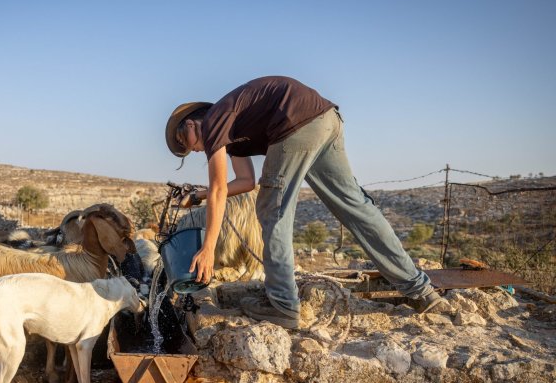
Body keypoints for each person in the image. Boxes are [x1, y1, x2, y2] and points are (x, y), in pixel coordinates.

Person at [165, 76, 446, 329]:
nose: (193, 149)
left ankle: (283, 305)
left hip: (295, 124)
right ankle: (420, 290)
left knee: (272, 209)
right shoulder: (231, 127)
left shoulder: (214, 120)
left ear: (192, 122)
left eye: (185, 141)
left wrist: (208, 248)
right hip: (325, 119)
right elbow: (245, 182)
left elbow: (217, 190)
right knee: (355, 206)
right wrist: (197, 196)